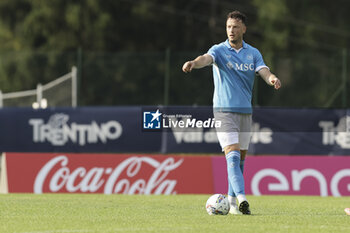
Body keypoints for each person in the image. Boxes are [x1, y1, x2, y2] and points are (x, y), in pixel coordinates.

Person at [182, 10, 281, 215]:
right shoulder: (219, 50)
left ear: (243, 29)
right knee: (233, 156)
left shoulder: (252, 53)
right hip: (223, 111)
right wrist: (193, 63)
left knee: (241, 159)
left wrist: (271, 78)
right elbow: (205, 58)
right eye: (228, 27)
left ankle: (233, 204)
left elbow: (263, 70)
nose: (231, 31)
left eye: (235, 27)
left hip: (245, 112)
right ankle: (243, 199)